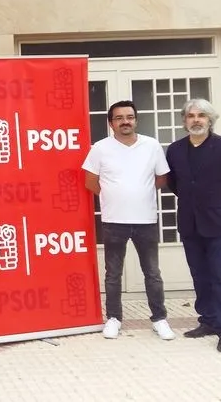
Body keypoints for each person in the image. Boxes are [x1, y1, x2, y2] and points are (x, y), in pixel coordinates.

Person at [82, 100, 176, 341]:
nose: (125, 121)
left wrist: (139, 193)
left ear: (136, 119)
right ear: (111, 122)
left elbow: (161, 179)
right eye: (119, 118)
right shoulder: (101, 148)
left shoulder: (151, 145)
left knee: (152, 272)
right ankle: (113, 318)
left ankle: (159, 318)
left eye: (130, 117)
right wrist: (115, 196)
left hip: (146, 219)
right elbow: (90, 181)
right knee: (113, 274)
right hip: (114, 220)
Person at [166, 99, 221, 353]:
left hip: (219, 223)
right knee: (200, 276)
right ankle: (208, 321)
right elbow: (174, 183)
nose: (195, 120)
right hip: (190, 223)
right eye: (190, 116)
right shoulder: (175, 150)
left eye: (201, 115)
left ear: (210, 120)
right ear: (184, 121)